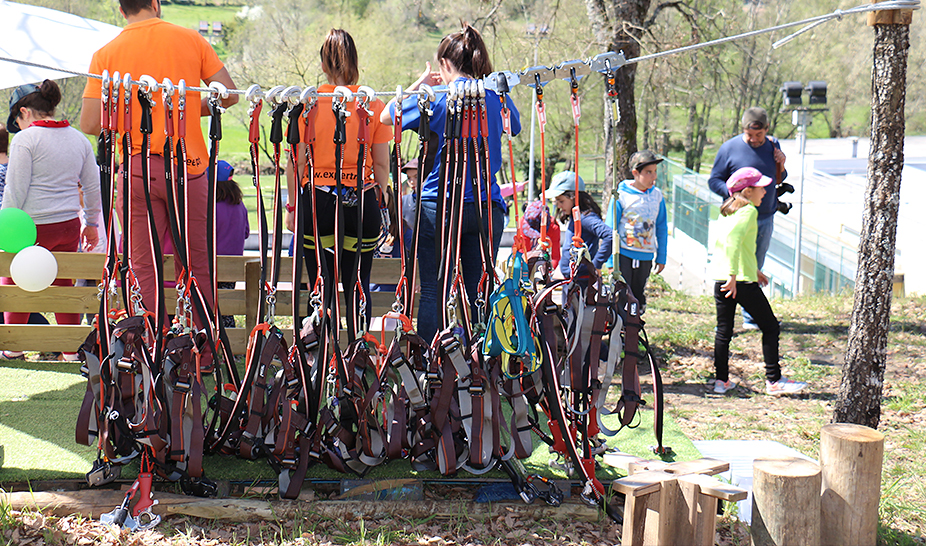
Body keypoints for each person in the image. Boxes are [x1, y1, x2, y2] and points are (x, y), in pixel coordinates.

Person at [79, 0, 238, 331]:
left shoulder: (106, 53)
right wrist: (185, 109)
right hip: (187, 167)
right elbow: (229, 95)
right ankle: (202, 350)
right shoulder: (191, 39)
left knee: (142, 264)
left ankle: (154, 343)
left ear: (122, 10)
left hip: (137, 167)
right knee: (196, 262)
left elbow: (91, 123)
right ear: (155, 4)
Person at [380, 22, 521, 342]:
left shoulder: (436, 98)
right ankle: (479, 368)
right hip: (487, 208)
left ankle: (432, 370)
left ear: (444, 64)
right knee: (479, 291)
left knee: (433, 290)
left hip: (438, 206)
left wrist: (419, 85)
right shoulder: (496, 96)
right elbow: (514, 127)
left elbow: (387, 117)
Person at [285, 29, 390, 335]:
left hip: (317, 201)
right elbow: (382, 165)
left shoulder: (309, 104)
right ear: (355, 62)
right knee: (357, 282)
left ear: (322, 65)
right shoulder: (372, 105)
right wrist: (376, 198)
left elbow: (296, 163)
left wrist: (293, 206)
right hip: (362, 200)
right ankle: (356, 356)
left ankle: (318, 355)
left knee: (321, 281)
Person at [1, 80, 101, 361]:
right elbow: (92, 187)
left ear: (25, 112)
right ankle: (70, 350)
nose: (18, 127)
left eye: (17, 121)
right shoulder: (78, 138)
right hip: (68, 224)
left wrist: (6, 229)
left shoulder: (25, 140)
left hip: (30, 226)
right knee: (63, 284)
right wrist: (91, 223)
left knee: (14, 282)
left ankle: (13, 347)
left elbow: (15, 189)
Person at [712, 167, 806, 396]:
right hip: (739, 282)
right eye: (761, 187)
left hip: (722, 278)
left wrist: (754, 270)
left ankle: (721, 381)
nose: (765, 191)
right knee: (771, 327)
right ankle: (774, 380)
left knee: (723, 331)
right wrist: (736, 276)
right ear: (748, 190)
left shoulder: (727, 211)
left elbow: (731, 245)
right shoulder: (748, 212)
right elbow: (733, 242)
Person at [708, 107, 787, 329]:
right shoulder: (729, 148)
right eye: (749, 135)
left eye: (758, 135)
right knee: (733, 263)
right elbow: (714, 180)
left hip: (764, 216)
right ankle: (726, 320)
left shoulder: (773, 145)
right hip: (739, 215)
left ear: (767, 130)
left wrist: (781, 162)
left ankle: (751, 316)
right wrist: (736, 196)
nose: (753, 139)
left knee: (755, 263)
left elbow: (779, 177)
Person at [604, 150, 668, 311]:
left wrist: (661, 256)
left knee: (638, 294)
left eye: (655, 172)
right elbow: (610, 229)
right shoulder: (621, 196)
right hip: (624, 254)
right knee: (622, 295)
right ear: (635, 173)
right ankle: (620, 329)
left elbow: (661, 226)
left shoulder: (657, 196)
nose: (653, 176)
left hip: (646, 255)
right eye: (648, 172)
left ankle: (634, 328)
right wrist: (611, 261)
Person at [550, 171, 612, 284]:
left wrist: (597, 264)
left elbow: (610, 235)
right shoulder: (575, 217)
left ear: (574, 197)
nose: (559, 206)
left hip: (582, 281)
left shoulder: (585, 218)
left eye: (561, 201)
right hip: (570, 278)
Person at [213, 160, 249, 328]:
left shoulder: (212, 209)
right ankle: (230, 344)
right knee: (226, 308)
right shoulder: (240, 206)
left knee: (211, 304)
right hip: (233, 265)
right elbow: (246, 233)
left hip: (213, 266)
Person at [520, 199, 560, 269]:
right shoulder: (523, 222)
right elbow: (523, 252)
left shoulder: (553, 227)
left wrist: (549, 271)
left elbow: (555, 257)